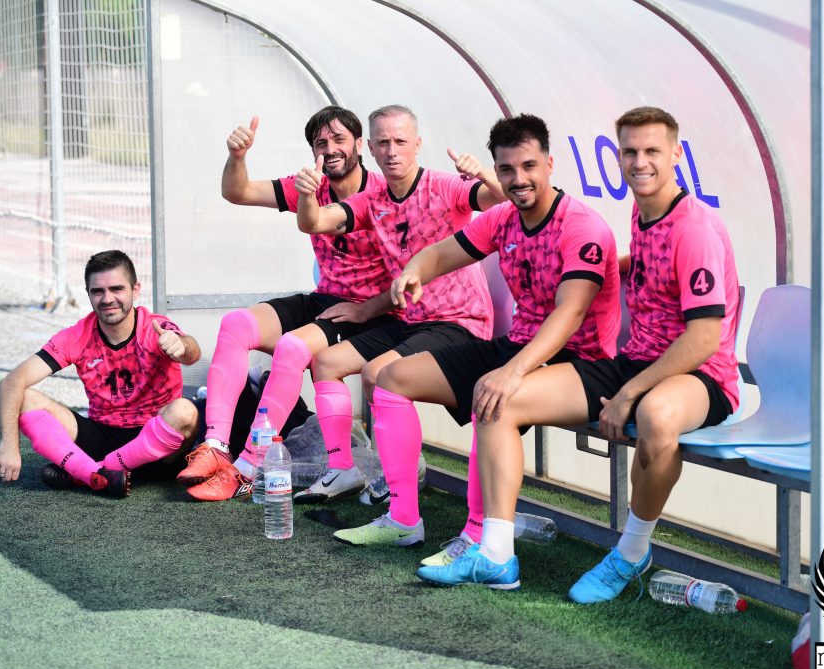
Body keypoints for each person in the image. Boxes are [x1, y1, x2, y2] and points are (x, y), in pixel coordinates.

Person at [417, 106, 740, 600]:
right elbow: (655, 270)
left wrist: (628, 395)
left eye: (652, 151)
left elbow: (703, 340)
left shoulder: (694, 227)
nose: (640, 162)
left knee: (656, 415)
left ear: (676, 154)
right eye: (630, 151)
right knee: (497, 397)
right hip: (634, 362)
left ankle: (631, 553)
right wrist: (619, 266)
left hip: (701, 374)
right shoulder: (643, 210)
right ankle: (496, 555)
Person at [369, 113, 621, 568]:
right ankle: (403, 519)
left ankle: (478, 538)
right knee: (391, 378)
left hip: (580, 361)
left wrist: (512, 372)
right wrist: (413, 273)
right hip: (518, 346)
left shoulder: (582, 226)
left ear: (549, 165)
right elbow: (440, 253)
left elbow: (570, 313)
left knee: (493, 399)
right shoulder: (503, 217)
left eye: (528, 166)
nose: (518, 179)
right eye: (506, 169)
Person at [293, 104, 506, 543]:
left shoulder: (444, 186)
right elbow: (314, 223)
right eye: (384, 143)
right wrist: (308, 193)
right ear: (370, 148)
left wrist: (484, 175)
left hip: (459, 322)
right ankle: (346, 470)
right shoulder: (372, 200)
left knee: (378, 375)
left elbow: (502, 200)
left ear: (417, 144)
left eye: (401, 141)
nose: (392, 151)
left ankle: (403, 513)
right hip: (411, 320)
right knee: (326, 362)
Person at [181, 106, 398, 502]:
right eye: (320, 142)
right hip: (326, 299)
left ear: (359, 145)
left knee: (292, 348)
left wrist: (368, 308)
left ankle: (248, 466)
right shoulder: (311, 186)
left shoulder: (386, 193)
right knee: (236, 325)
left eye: (339, 139)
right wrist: (237, 156)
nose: (329, 149)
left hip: (372, 311)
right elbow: (237, 191)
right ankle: (215, 446)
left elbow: (418, 267)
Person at [0, 250, 201, 496]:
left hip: (157, 449)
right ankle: (96, 474)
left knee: (185, 411)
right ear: (88, 294)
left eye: (117, 289)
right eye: (98, 291)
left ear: (135, 290)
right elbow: (12, 381)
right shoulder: (76, 335)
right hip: (100, 436)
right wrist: (9, 444)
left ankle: (91, 472)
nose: (107, 298)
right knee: (24, 397)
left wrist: (181, 345)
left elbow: (191, 353)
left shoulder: (155, 326)